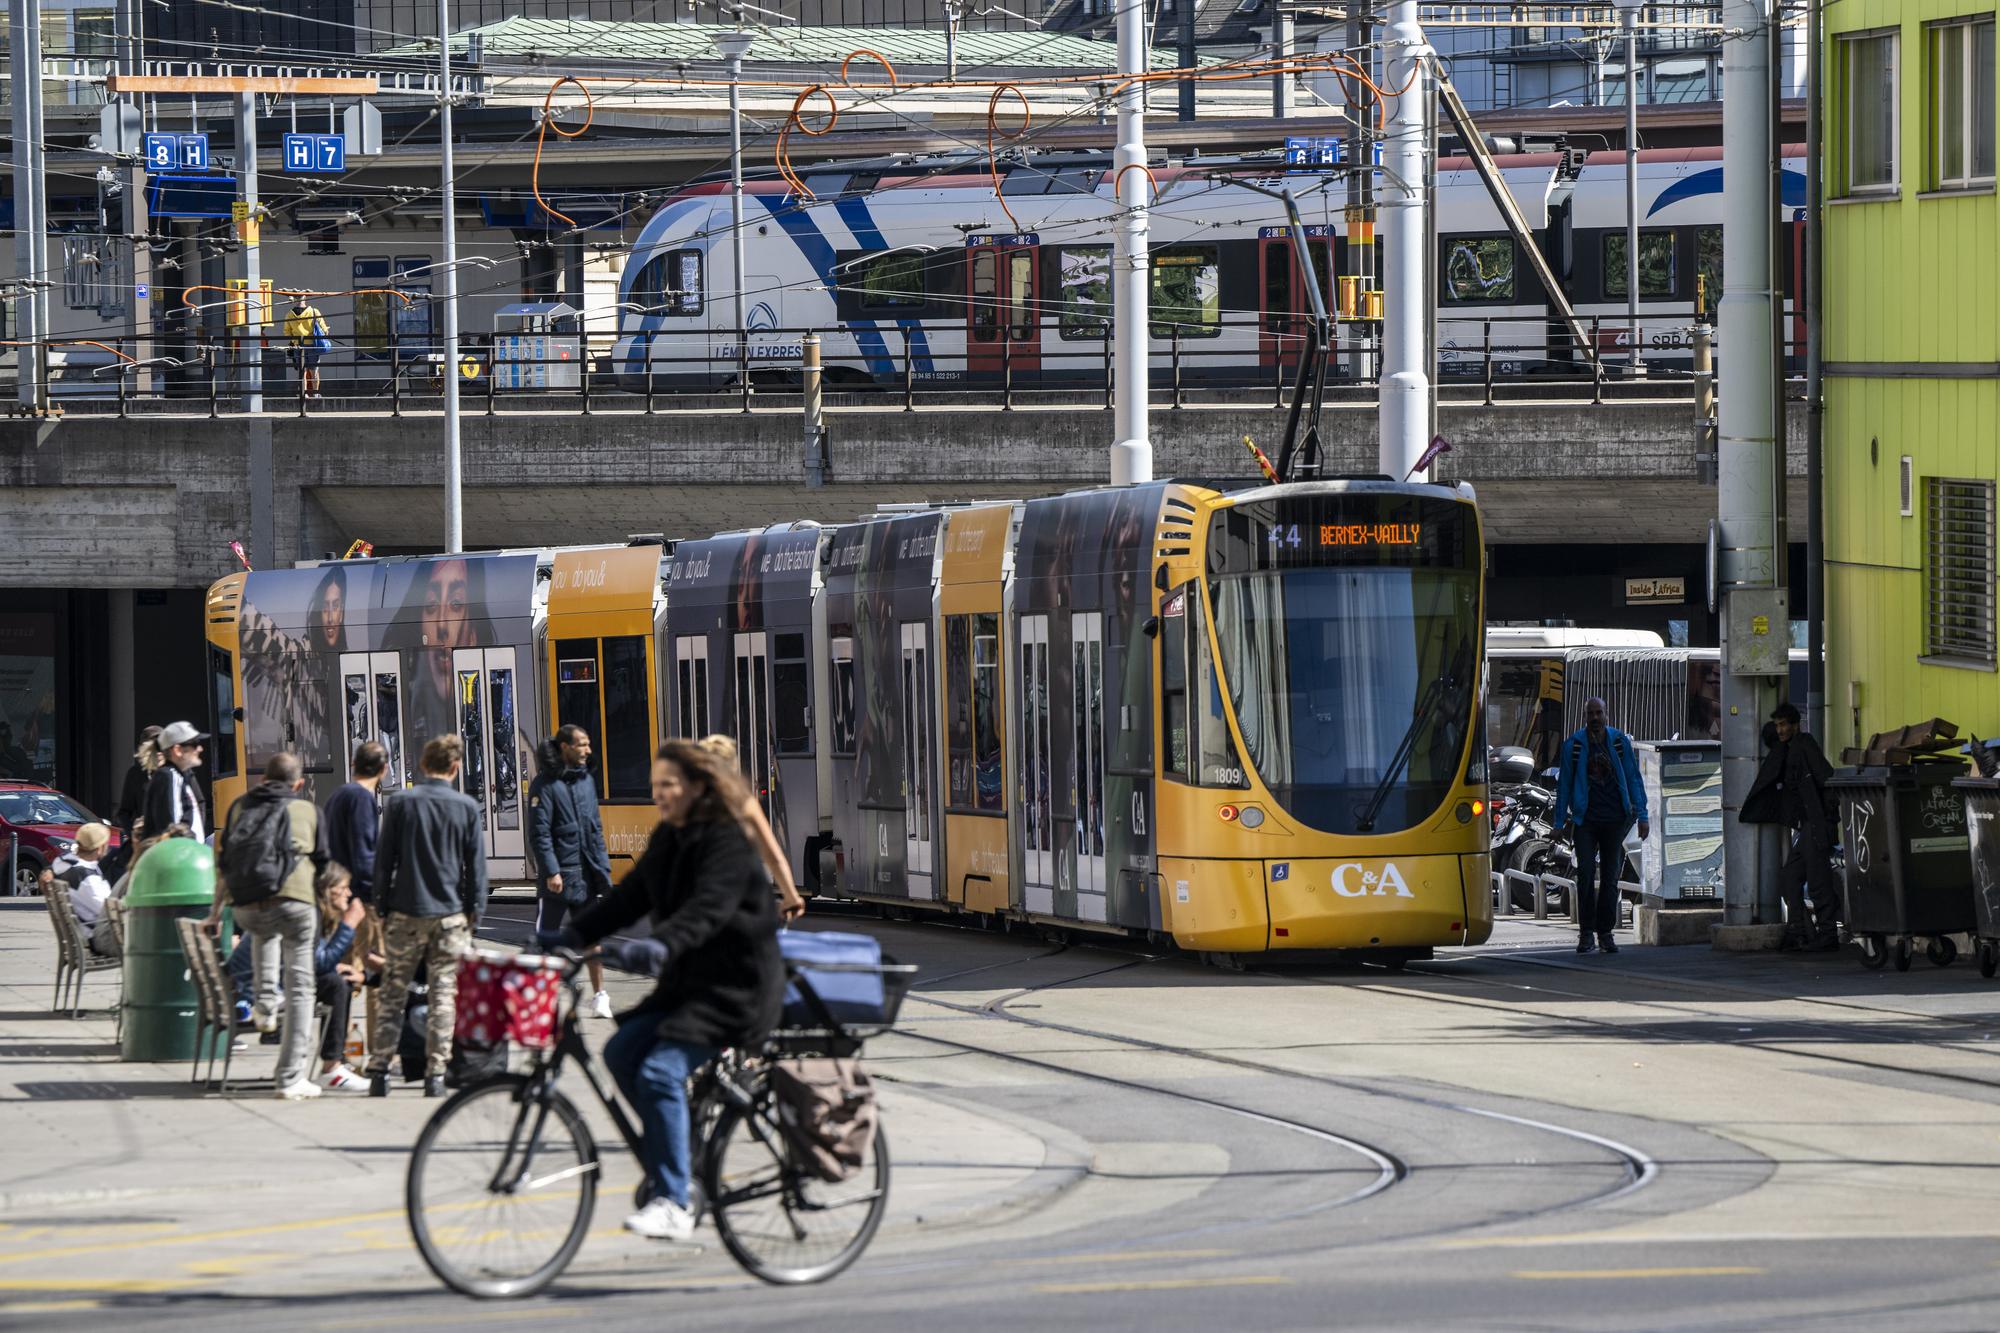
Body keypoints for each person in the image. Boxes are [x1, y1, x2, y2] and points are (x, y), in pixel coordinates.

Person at [545, 740, 783, 1242]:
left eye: (668, 786)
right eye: (655, 787)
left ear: (698, 787)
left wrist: (660, 947)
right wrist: (571, 936)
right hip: (689, 986)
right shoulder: (671, 836)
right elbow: (630, 897)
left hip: (733, 989)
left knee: (657, 1071)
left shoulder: (726, 841)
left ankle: (674, 1200)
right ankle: (676, 1164)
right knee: (621, 1051)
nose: (660, 796)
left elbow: (709, 910)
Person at [202, 752, 329, 1101]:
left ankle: (265, 1005)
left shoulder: (241, 806)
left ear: (263, 780)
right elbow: (323, 865)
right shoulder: (308, 811)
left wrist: (216, 913)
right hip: (294, 904)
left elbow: (225, 863)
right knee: (302, 987)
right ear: (298, 784)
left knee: (262, 930)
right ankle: (290, 1077)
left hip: (245, 906)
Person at [367, 734, 487, 1098]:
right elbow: (476, 870)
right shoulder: (466, 807)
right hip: (449, 915)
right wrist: (473, 914)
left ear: (422, 765)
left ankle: (380, 1072)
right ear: (455, 767)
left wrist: (382, 908)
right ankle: (436, 1074)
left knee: (392, 993)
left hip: (405, 911)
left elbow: (384, 861)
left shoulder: (401, 803)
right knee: (443, 995)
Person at [1552, 696, 1650, 956]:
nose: (1595, 718)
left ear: (1606, 715)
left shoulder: (1619, 743)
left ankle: (1605, 934)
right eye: (1590, 714)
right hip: (1585, 821)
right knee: (1584, 873)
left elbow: (1634, 780)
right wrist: (1559, 821)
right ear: (1585, 717)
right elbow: (1564, 787)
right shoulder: (1573, 746)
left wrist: (1643, 816)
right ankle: (1586, 934)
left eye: (1599, 713)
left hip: (1615, 820)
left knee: (1610, 878)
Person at [530, 725, 615, 1017]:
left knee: (593, 936)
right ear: (565, 747)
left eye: (588, 744)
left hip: (587, 875)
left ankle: (600, 995)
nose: (588, 750)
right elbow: (539, 834)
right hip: (558, 878)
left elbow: (595, 829)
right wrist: (552, 871)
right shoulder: (544, 785)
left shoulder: (586, 781)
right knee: (546, 939)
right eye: (581, 744)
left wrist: (603, 868)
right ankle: (542, 1001)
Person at [1743, 702, 1841, 951]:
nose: (1780, 730)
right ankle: (1800, 930)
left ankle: (1827, 935)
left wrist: (1828, 819)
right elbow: (1769, 734)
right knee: (1789, 877)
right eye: (1777, 725)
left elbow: (1826, 779)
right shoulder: (1785, 748)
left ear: (1796, 725)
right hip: (1807, 825)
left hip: (1816, 824)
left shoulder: (1804, 745)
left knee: (1818, 882)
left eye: (1784, 724)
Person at [697, 734, 807, 922]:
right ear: (732, 767)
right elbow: (774, 857)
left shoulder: (686, 806)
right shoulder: (744, 804)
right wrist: (791, 897)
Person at [311, 863, 377, 1091]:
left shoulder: (318, 914)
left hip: (282, 980)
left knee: (341, 980)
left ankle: (334, 1062)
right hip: (276, 988)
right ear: (329, 890)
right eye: (344, 887)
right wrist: (349, 925)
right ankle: (331, 1067)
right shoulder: (312, 915)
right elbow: (319, 963)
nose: (349, 893)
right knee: (337, 985)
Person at [324, 741, 385, 905]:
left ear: (354, 764)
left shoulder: (337, 795)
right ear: (383, 769)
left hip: (339, 889)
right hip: (357, 896)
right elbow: (362, 851)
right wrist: (373, 893)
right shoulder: (361, 798)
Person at [50, 823, 117, 956]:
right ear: (100, 848)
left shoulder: (62, 862)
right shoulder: (87, 879)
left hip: (83, 933)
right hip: (99, 939)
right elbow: (108, 911)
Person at [142, 720, 209, 842]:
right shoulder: (169, 776)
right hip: (176, 856)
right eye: (194, 744)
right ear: (177, 750)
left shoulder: (177, 776)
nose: (200, 748)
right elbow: (170, 828)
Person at [109, 725, 162, 875]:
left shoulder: (175, 771)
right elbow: (123, 812)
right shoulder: (136, 774)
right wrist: (135, 834)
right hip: (146, 844)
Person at [283, 296, 330, 399]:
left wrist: (294, 341)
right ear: (305, 300)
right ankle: (316, 393)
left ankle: (303, 394)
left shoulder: (289, 314)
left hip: (298, 346)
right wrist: (326, 331)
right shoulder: (314, 312)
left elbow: (287, 332)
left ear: (295, 300)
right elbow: (324, 328)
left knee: (302, 372)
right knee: (314, 372)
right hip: (313, 345)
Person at [308, 566, 348, 652]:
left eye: (335, 607)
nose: (330, 619)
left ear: (341, 613)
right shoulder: (308, 653)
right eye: (325, 608)